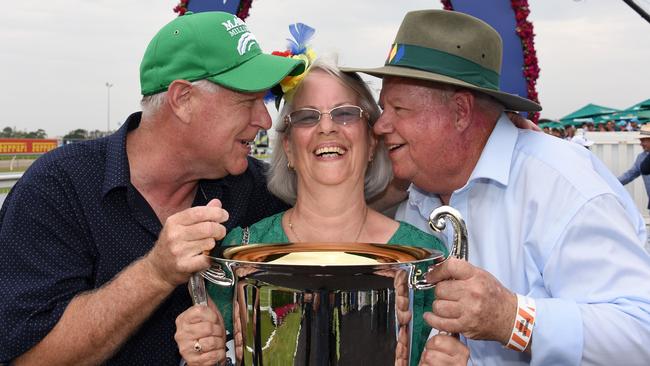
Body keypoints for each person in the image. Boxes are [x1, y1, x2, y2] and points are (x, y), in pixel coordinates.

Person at [345, 9, 650, 365]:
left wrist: (512, 318)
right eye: (384, 108)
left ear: (460, 111)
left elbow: (640, 332)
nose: (381, 125)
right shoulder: (414, 195)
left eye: (399, 108)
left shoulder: (560, 184)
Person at [0, 11, 306, 365]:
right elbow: (28, 358)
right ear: (182, 99)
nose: (265, 120)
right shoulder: (59, 188)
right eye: (247, 101)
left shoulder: (256, 190)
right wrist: (156, 273)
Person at [174, 58, 468, 366]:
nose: (326, 127)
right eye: (306, 117)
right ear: (287, 148)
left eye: (344, 114)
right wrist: (199, 352)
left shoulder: (426, 256)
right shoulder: (242, 250)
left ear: (371, 142)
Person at [619, 124, 650, 210]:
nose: (641, 144)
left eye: (643, 140)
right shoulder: (642, 158)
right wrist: (612, 182)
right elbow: (630, 174)